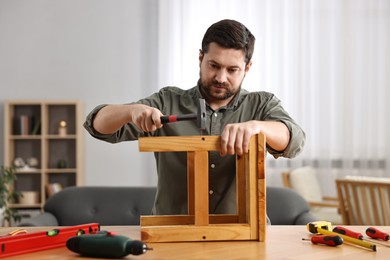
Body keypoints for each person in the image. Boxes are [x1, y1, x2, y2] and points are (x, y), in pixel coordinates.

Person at [84, 19, 305, 216]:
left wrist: (258, 127)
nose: (221, 77)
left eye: (232, 70)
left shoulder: (262, 104)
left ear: (247, 68)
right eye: (214, 66)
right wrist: (131, 111)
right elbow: (97, 125)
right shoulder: (167, 101)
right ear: (200, 58)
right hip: (173, 233)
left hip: (245, 233)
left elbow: (294, 142)